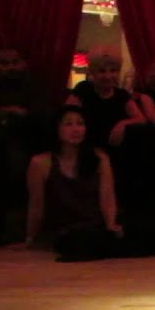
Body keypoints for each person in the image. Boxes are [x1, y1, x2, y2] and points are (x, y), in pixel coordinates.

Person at [21, 106, 123, 261]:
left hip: (94, 227)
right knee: (78, 243)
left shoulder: (99, 158)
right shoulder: (41, 163)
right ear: (56, 128)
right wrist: (30, 237)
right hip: (63, 230)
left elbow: (107, 197)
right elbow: (36, 205)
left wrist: (110, 225)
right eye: (68, 124)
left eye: (80, 124)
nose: (75, 129)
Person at [66, 48, 143, 150]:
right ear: (93, 73)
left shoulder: (122, 95)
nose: (108, 76)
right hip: (85, 147)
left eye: (113, 71)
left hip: (115, 148)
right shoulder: (84, 89)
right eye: (102, 71)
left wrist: (122, 124)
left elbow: (141, 119)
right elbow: (66, 114)